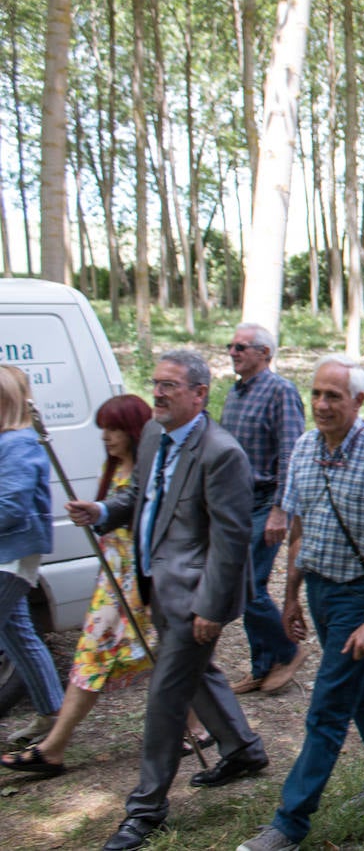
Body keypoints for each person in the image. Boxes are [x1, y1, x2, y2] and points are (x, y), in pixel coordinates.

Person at [66, 352, 265, 851]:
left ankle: (146, 810)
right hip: (156, 585)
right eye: (155, 383)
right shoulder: (154, 436)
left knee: (165, 699)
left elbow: (230, 539)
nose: (157, 393)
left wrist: (211, 609)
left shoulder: (222, 453)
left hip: (195, 596)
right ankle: (242, 748)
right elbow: (141, 498)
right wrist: (102, 510)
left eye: (170, 386)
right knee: (197, 676)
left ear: (199, 394)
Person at [234, 355, 364, 851]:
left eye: (333, 396)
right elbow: (297, 531)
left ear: (358, 400)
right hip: (318, 588)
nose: (321, 404)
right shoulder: (304, 448)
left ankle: (290, 824)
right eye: (316, 394)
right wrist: (289, 597)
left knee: (327, 707)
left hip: (360, 592)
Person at [0, 394, 174, 776]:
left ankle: (53, 748)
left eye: (114, 429)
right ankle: (195, 726)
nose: (106, 437)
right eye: (102, 429)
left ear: (133, 430)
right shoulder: (112, 469)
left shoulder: (149, 473)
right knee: (158, 657)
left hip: (134, 585)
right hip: (110, 585)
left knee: (98, 659)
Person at [219, 322, 308, 696]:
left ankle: (289, 651)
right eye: (232, 346)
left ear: (265, 354)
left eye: (242, 347)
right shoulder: (235, 393)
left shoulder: (281, 392)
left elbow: (291, 453)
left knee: (248, 586)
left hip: (264, 501)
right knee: (241, 586)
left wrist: (279, 511)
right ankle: (262, 666)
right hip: (234, 503)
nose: (234, 352)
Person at [0, 366, 64, 751]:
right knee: (18, 634)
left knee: (17, 634)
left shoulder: (19, 443)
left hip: (10, 559)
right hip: (8, 556)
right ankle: (52, 713)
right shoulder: (11, 440)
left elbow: (12, 506)